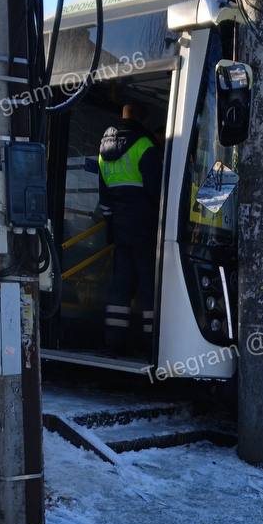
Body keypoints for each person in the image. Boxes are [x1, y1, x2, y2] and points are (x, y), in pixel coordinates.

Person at [98, 101, 162, 354]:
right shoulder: (145, 146)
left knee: (120, 284)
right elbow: (157, 191)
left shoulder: (103, 150)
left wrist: (110, 222)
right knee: (148, 282)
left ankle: (113, 341)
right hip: (144, 224)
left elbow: (104, 196)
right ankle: (152, 341)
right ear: (141, 120)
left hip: (120, 226)